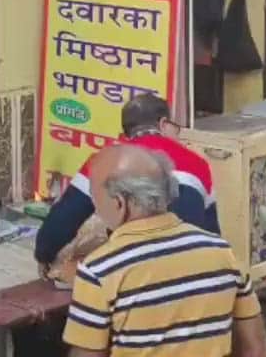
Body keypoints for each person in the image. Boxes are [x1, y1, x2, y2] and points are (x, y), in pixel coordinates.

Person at [64, 145, 266, 357]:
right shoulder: (223, 252)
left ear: (120, 203)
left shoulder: (98, 271)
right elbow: (257, 349)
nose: (96, 209)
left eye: (95, 198)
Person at [35, 94, 219, 276]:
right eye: (176, 128)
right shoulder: (198, 164)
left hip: (136, 276)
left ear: (125, 134)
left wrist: (44, 254)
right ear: (163, 124)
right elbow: (212, 232)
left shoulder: (105, 160)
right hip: (193, 275)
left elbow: (64, 218)